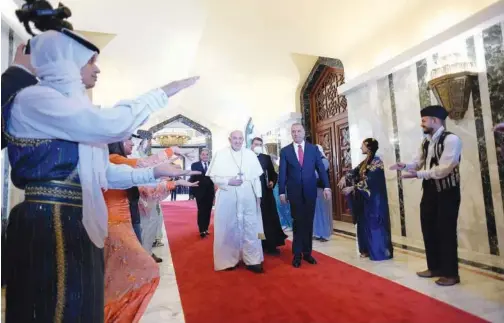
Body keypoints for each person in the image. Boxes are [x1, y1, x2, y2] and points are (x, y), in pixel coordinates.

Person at [3, 28, 198, 322]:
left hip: (74, 220)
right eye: (90, 61)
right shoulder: (36, 100)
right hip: (50, 218)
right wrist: (163, 92)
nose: (98, 69)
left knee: (83, 307)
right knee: (56, 308)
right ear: (67, 63)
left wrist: (153, 172)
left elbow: (101, 171)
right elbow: (110, 125)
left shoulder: (71, 109)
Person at [104, 140, 198, 322]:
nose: (131, 144)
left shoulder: (119, 161)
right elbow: (144, 166)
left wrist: (174, 181)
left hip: (126, 220)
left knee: (124, 274)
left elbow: (147, 189)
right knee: (139, 270)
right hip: (113, 224)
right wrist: (171, 151)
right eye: (127, 140)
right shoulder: (113, 160)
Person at [390, 105, 462, 286]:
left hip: (447, 191)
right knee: (429, 228)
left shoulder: (451, 139)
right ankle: (435, 267)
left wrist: (418, 174)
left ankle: (451, 274)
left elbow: (445, 169)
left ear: (435, 121)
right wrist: (405, 166)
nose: (421, 124)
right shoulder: (426, 142)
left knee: (446, 231)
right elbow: (418, 162)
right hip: (430, 190)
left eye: (424, 120)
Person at [207, 130, 265, 273]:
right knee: (228, 227)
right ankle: (227, 260)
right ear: (229, 139)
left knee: (250, 227)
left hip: (248, 196)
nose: (238, 141)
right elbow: (213, 177)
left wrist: (258, 196)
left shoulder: (250, 155)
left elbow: (256, 178)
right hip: (228, 195)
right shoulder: (221, 154)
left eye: (240, 139)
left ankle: (253, 260)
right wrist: (228, 181)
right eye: (235, 138)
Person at [278, 123, 331, 268]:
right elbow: (282, 172)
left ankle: (307, 253)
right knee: (297, 222)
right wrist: (281, 191)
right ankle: (296, 254)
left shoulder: (313, 149)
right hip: (294, 192)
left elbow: (321, 169)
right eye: (293, 131)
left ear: (304, 132)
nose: (296, 134)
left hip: (310, 191)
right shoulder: (285, 151)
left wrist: (327, 186)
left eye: (298, 131)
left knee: (308, 222)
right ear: (291, 134)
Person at [338, 139, 393, 260]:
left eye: (362, 145)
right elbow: (356, 171)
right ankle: (366, 250)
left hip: (375, 201)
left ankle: (379, 252)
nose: (360, 147)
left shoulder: (377, 162)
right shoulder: (366, 161)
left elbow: (371, 181)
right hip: (365, 200)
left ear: (368, 147)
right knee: (364, 224)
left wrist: (353, 187)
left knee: (374, 225)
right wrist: (345, 177)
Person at [251, 137, 287, 254]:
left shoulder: (265, 158)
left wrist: (272, 181)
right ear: (251, 145)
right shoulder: (246, 157)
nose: (258, 146)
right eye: (256, 144)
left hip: (266, 194)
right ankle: (256, 246)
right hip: (251, 195)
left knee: (269, 219)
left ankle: (271, 245)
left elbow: (273, 174)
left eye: (260, 144)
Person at [190, 148, 215, 238]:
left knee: (208, 211)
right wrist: (192, 192)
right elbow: (193, 178)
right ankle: (201, 230)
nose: (205, 156)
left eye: (206, 154)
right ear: (200, 156)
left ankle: (206, 228)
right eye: (203, 154)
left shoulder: (212, 165)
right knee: (201, 211)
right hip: (200, 192)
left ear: (209, 156)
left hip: (210, 192)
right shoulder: (195, 165)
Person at [313, 144, 333, 242]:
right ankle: (317, 233)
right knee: (316, 212)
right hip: (314, 189)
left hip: (322, 189)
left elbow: (317, 174)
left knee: (323, 212)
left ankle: (325, 234)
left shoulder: (324, 161)